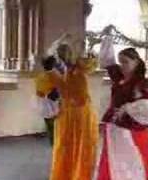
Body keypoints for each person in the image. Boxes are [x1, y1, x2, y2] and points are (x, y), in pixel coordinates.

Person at [95, 35, 148, 180]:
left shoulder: (142, 84)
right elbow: (107, 60)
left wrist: (128, 108)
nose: (122, 65)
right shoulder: (119, 76)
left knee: (129, 166)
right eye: (121, 62)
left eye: (126, 62)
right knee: (109, 161)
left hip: (129, 131)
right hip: (113, 128)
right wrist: (107, 38)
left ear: (136, 62)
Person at [47, 35, 99, 180]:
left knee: (74, 147)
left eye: (60, 56)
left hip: (77, 114)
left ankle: (75, 175)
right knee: (69, 147)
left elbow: (73, 94)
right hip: (72, 114)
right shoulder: (74, 70)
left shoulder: (76, 71)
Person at [35, 56, 61, 145]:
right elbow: (58, 90)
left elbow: (38, 90)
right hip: (52, 101)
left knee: (49, 123)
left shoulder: (40, 76)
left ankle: (52, 141)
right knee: (54, 123)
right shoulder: (55, 75)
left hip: (43, 101)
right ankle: (55, 141)